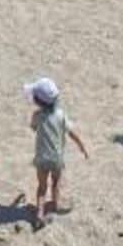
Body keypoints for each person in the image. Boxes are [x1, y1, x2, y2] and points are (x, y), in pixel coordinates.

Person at [24, 76, 88, 225]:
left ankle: (39, 213)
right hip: (57, 158)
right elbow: (72, 133)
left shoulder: (37, 116)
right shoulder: (61, 115)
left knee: (41, 187)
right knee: (56, 183)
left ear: (37, 101)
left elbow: (33, 127)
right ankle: (54, 205)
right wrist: (82, 147)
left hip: (41, 158)